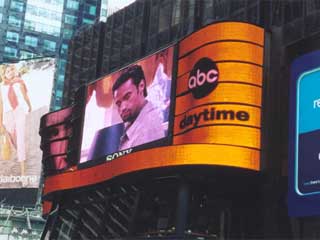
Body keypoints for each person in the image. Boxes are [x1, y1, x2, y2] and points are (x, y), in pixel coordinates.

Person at [112, 65, 165, 151]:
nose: (123, 107)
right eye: (118, 103)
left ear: (141, 86)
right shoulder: (135, 123)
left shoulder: (147, 129)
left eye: (127, 97)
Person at [0, 64, 32, 179]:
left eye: (11, 70)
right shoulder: (1, 87)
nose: (10, 72)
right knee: (14, 140)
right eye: (7, 71)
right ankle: (20, 153)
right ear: (4, 74)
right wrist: (0, 122)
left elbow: (25, 96)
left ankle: (23, 173)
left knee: (20, 139)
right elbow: (1, 104)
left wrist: (29, 106)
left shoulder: (19, 83)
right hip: (8, 115)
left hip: (19, 112)